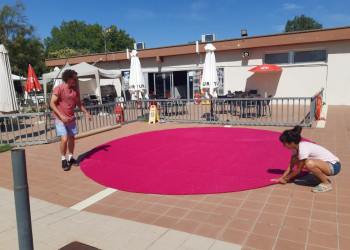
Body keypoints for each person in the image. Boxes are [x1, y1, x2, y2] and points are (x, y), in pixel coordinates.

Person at [271, 126, 341, 193]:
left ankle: (326, 184)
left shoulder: (303, 149)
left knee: (308, 163)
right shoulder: (294, 147)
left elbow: (299, 170)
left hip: (334, 166)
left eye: (284, 143)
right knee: (297, 160)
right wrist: (282, 177)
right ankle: (319, 179)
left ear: (291, 143)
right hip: (325, 164)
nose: (284, 145)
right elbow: (291, 164)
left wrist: (286, 179)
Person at [50, 69, 92, 171]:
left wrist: (86, 112)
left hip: (71, 118)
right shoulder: (59, 89)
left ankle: (71, 158)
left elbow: (78, 104)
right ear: (68, 79)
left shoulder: (75, 90)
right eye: (74, 78)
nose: (76, 80)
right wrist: (61, 115)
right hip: (60, 119)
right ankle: (63, 159)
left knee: (72, 139)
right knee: (64, 139)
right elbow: (52, 103)